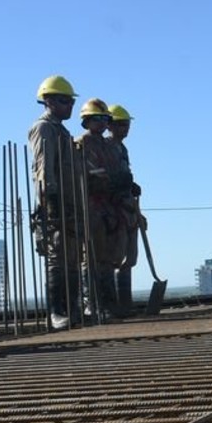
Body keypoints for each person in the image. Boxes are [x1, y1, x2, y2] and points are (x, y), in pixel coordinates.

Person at [27, 75, 83, 329]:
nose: (69, 105)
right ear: (48, 101)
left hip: (70, 203)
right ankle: (57, 312)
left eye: (70, 101)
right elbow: (43, 168)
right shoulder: (43, 128)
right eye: (64, 101)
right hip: (55, 203)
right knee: (57, 257)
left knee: (72, 257)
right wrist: (51, 200)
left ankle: (73, 309)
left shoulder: (62, 131)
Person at [73, 98, 122, 319]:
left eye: (105, 119)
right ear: (87, 121)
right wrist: (101, 178)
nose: (102, 123)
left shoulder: (109, 146)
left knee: (108, 258)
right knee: (91, 257)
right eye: (98, 119)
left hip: (109, 208)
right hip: (91, 206)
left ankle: (109, 304)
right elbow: (82, 175)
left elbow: (114, 172)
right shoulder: (81, 144)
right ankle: (92, 304)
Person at [106, 103, 143, 316]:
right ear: (110, 125)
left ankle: (125, 303)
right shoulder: (107, 146)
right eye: (121, 124)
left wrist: (131, 186)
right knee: (116, 257)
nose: (125, 128)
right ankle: (116, 305)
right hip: (115, 209)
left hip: (128, 208)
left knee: (130, 258)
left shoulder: (122, 148)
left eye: (127, 124)